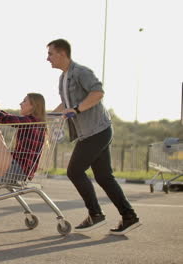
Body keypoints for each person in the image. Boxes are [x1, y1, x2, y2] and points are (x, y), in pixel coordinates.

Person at [46, 38, 141, 235]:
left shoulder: (81, 72)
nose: (48, 59)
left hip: (98, 130)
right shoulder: (63, 78)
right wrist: (47, 117)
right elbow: (65, 105)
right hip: (89, 132)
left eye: (50, 54)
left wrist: (78, 110)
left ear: (62, 54)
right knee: (104, 177)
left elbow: (98, 92)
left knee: (74, 171)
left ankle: (95, 214)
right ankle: (129, 217)